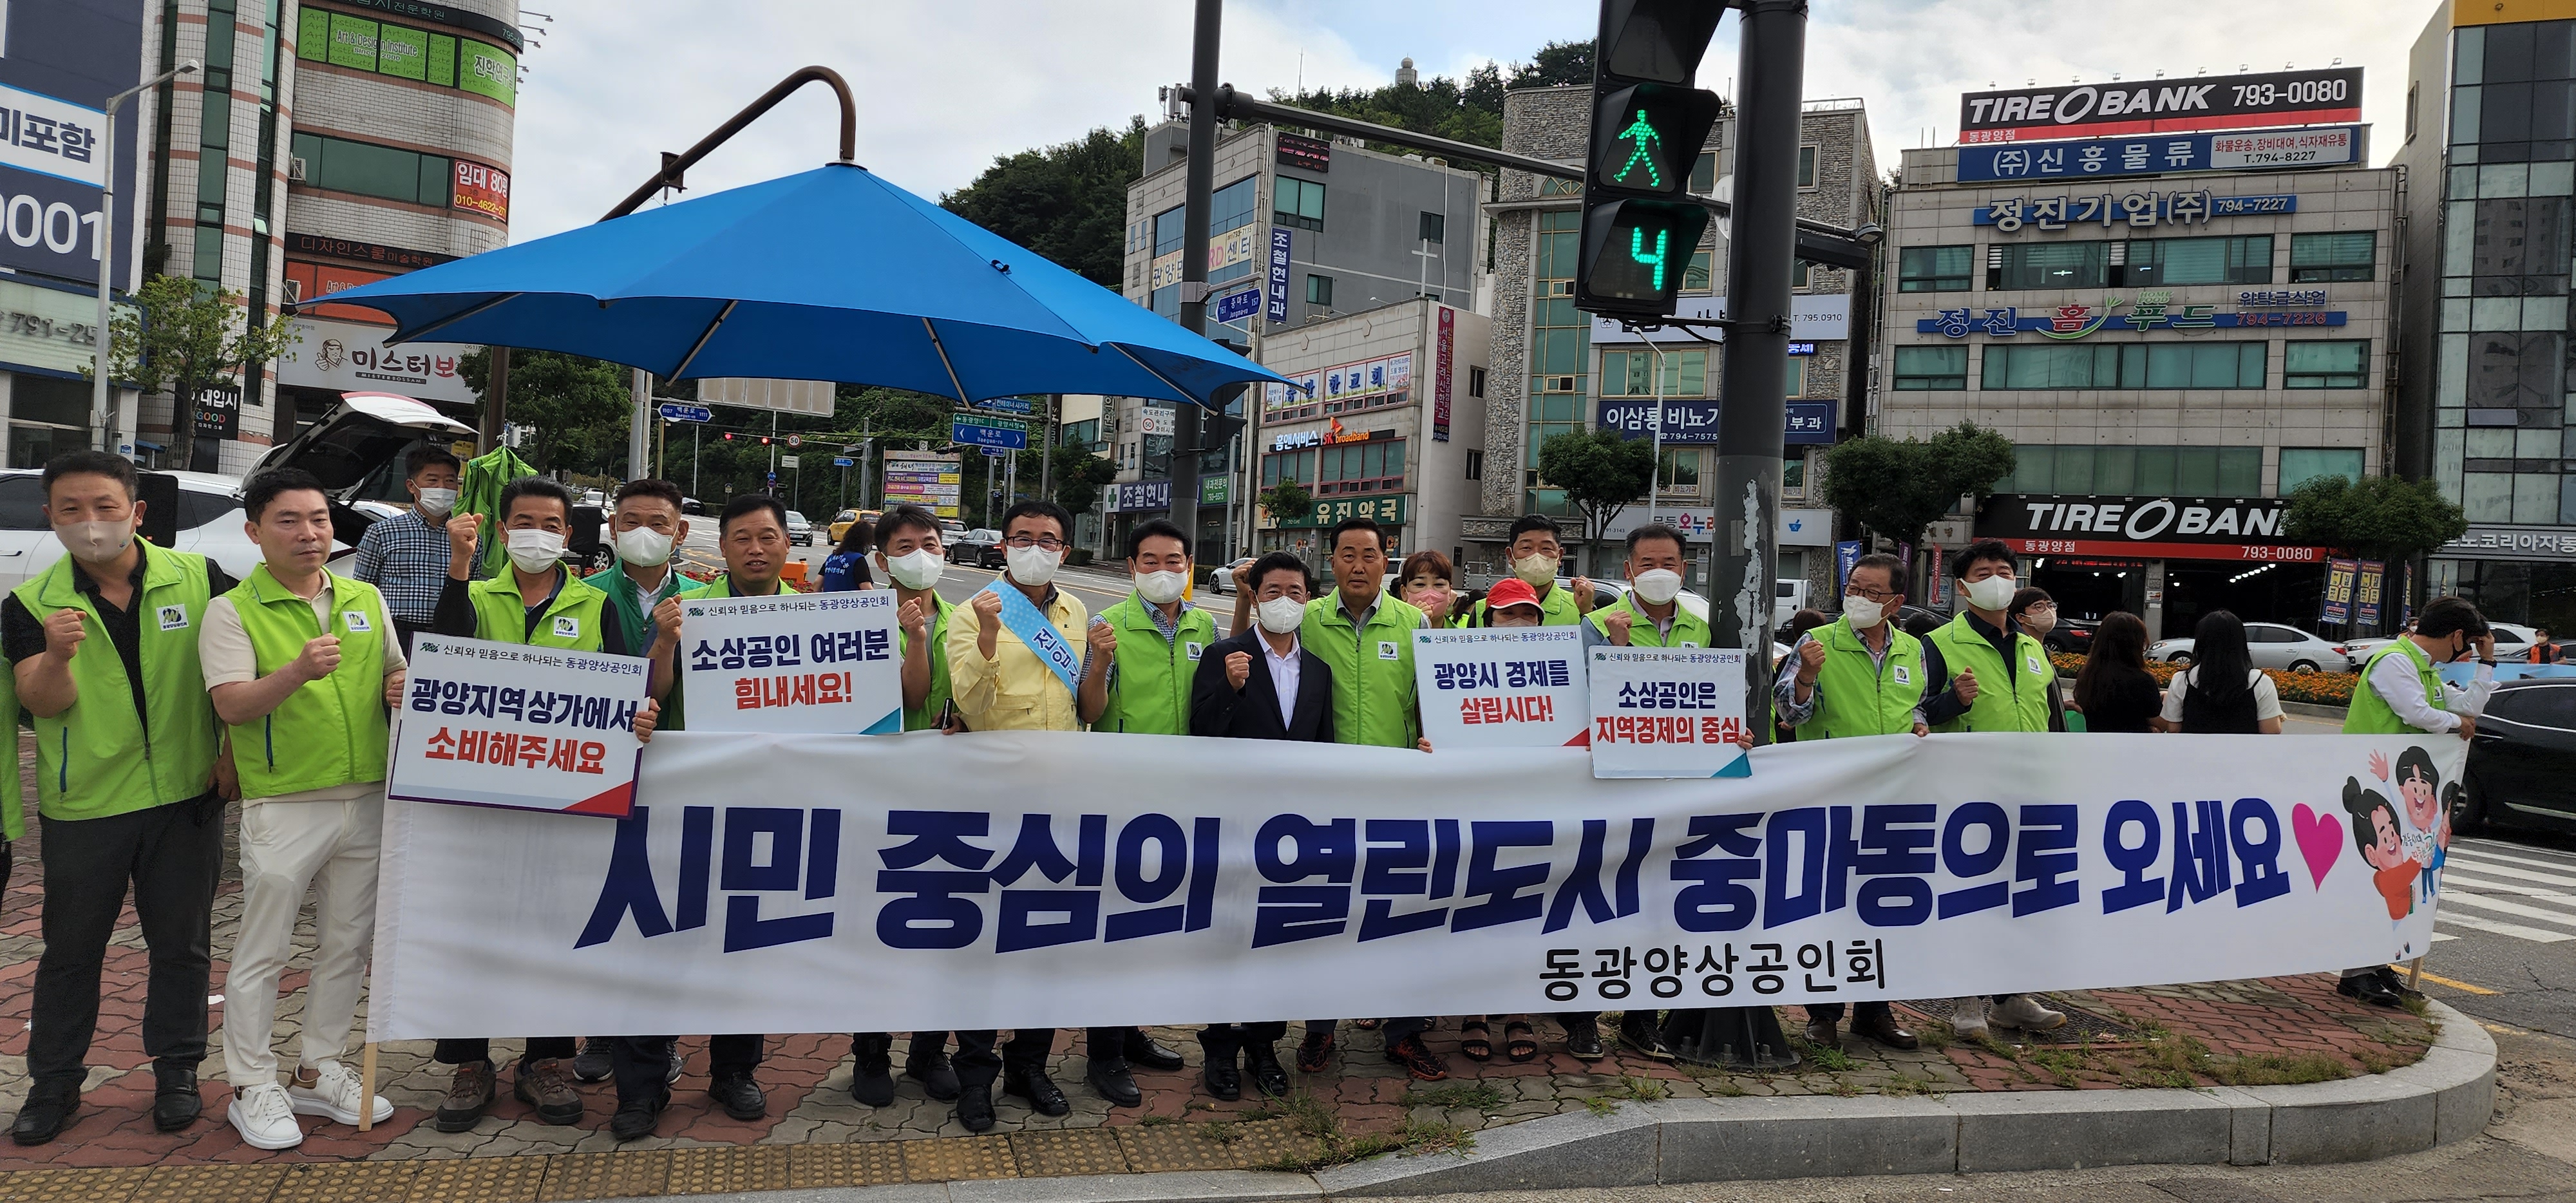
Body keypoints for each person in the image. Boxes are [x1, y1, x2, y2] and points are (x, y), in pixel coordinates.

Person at [5, 451, 238, 1146]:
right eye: (71, 509)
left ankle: (178, 1070)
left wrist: (231, 755)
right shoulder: (31, 603)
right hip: (86, 805)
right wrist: (56, 655)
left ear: (136, 512)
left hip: (186, 797)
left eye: (105, 506)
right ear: (50, 518)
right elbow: (42, 702)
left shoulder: (199, 577)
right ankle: (54, 1083)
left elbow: (240, 664)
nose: (90, 522)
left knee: (182, 945)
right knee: (71, 951)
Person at [425, 476, 661, 1133]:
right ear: (503, 532)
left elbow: (625, 689)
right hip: (479, 795)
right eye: (524, 522)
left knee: (556, 927)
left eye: (551, 525)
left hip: (565, 800)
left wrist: (638, 717)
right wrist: (458, 567)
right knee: (473, 926)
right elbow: (443, 657)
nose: (537, 534)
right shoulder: (472, 595)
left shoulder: (596, 604)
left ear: (568, 535)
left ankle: (546, 1060)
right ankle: (470, 1061)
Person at [202, 469, 404, 1150]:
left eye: (318, 518)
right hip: (285, 801)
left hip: (367, 794)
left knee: (346, 944)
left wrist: (401, 684)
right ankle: (251, 1082)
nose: (308, 533)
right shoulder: (233, 610)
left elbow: (392, 671)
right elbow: (232, 704)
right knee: (263, 948)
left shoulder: (364, 596)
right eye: (288, 520)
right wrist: (294, 671)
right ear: (255, 531)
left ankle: (319, 1068)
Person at [603, 495, 782, 1140]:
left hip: (767, 808)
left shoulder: (816, 614)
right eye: (742, 538)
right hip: (679, 803)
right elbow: (650, 695)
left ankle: (735, 1070)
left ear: (787, 545)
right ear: (721, 546)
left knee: (744, 947)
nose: (755, 548)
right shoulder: (686, 610)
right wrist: (666, 642)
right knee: (654, 944)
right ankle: (641, 1086)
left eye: (768, 536)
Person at [943, 500, 1092, 1131]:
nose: (1036, 548)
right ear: (1003, 546)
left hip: (1059, 805)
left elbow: (1083, 704)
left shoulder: (1077, 612)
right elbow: (970, 704)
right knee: (981, 946)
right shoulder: (971, 610)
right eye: (1023, 538)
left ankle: (1029, 1066)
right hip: (993, 803)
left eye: (1048, 539)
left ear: (1065, 549)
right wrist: (985, 634)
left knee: (1045, 945)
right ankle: (975, 1076)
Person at [1067, 518, 1204, 1106]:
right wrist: (1099, 663)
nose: (1163, 571)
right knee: (1115, 929)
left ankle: (1129, 1032)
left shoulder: (1203, 625)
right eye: (1150, 560)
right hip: (1122, 798)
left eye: (1174, 561)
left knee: (1150, 929)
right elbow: (1089, 710)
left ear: (1189, 566)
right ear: (1131, 567)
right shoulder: (1109, 626)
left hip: (1182, 797)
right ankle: (1104, 1053)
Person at [1296, 516, 1439, 1079]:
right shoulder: (1305, 620)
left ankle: (1404, 1033)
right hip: (1323, 796)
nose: (1359, 566)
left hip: (1396, 796)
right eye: (1348, 555)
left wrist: (1435, 745)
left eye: (1370, 555)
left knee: (1400, 912)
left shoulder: (1413, 623)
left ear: (1387, 560)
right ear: (1331, 561)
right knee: (1326, 913)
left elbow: (1431, 703)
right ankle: (1319, 1029)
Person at [1189, 551, 1334, 1100]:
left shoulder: (1317, 670)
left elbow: (1323, 747)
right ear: (1254, 595)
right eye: (1273, 591)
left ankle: (1264, 1046)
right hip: (1233, 823)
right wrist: (1230, 688)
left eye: (1295, 592)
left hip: (1291, 831)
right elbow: (1200, 732)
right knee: (1227, 938)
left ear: (1308, 598)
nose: (1285, 601)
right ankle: (1219, 1048)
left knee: (1276, 939)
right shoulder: (1225, 654)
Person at [1776, 551, 1926, 1054]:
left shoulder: (1911, 649)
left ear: (1896, 603)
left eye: (1872, 592)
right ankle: (1823, 1014)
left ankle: (1875, 1011)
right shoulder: (1817, 643)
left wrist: (1920, 725)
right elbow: (1788, 713)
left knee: (1882, 905)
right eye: (1854, 588)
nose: (1859, 598)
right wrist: (1806, 677)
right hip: (1830, 799)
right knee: (1830, 907)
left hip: (1892, 800)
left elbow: (1915, 705)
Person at [1917, 541, 2067, 1039]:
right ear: (1963, 587)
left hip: (2031, 792)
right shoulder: (1939, 643)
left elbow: (2052, 718)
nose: (1997, 580)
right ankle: (1966, 1001)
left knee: (2023, 899)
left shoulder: (2032, 647)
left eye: (2005, 571)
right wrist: (1953, 703)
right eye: (1984, 573)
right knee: (1970, 897)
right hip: (1968, 795)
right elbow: (1912, 714)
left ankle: (2011, 998)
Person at [848, 506, 969, 1111]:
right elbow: (904, 696)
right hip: (879, 795)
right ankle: (871, 1052)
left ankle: (928, 1051)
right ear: (882, 559)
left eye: (931, 544)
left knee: (945, 929)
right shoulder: (856, 619)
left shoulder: (969, 619)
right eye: (905, 546)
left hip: (951, 797)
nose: (920, 555)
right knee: (875, 928)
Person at [2337, 596, 2498, 1007]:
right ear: (2456, 635)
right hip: (2372, 790)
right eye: (2468, 645)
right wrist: (2457, 724)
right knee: (2371, 879)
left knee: (2397, 880)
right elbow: (2418, 714)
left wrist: (2488, 662)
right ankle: (2355, 973)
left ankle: (2374, 964)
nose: (2465, 653)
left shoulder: (2422, 668)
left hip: (2399, 793)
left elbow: (2469, 706)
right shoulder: (2395, 661)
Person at [354, 445, 469, 655]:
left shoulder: (467, 539)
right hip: (396, 633)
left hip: (448, 638)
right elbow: (361, 592)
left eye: (450, 481)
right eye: (432, 480)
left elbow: (472, 592)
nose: (442, 487)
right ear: (411, 486)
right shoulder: (382, 532)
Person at [2154, 611, 2286, 735]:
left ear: (2201, 642)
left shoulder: (2182, 680)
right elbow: (2271, 731)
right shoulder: (2261, 682)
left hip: (2195, 752)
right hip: (2244, 752)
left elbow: (2174, 729)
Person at [1587, 524, 1712, 650]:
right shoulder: (1596, 624)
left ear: (1683, 570)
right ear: (1628, 570)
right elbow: (1584, 663)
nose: (1658, 574)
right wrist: (1614, 644)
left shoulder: (1700, 630)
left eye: (1668, 565)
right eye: (1648, 565)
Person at [1468, 515, 1595, 626]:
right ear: (1510, 556)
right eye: (1526, 548)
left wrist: (1586, 612)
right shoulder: (1482, 608)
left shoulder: (1581, 607)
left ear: (1560, 556)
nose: (1536, 556)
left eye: (1546, 548)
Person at [2072, 612, 2161, 734]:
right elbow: (2160, 722)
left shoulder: (2089, 676)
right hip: (2133, 744)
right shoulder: (2143, 681)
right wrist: (2167, 699)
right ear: (2136, 644)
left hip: (2097, 743)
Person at [2006, 588, 2073, 732]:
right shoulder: (2018, 650)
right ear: (2020, 617)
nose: (2048, 611)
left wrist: (2060, 704)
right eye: (2038, 607)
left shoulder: (2043, 651)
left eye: (2050, 605)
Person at [1396, 550, 1463, 628]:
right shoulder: (1393, 631)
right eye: (1420, 584)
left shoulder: (1459, 635)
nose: (1430, 593)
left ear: (1450, 593)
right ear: (1404, 592)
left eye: (1439, 584)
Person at [820, 516, 874, 592]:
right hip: (850, 600)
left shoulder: (831, 558)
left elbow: (817, 583)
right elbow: (867, 589)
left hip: (829, 599)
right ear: (864, 542)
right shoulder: (858, 560)